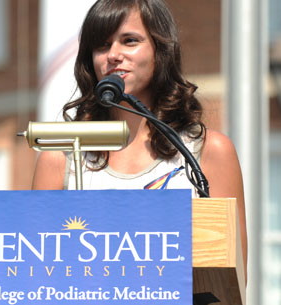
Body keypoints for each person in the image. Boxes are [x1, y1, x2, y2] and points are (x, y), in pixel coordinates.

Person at [32, 0, 247, 272]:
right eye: (102, 45)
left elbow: (232, 280)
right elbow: (38, 275)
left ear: (161, 50)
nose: (113, 55)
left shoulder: (208, 151)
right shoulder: (60, 158)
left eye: (129, 41)